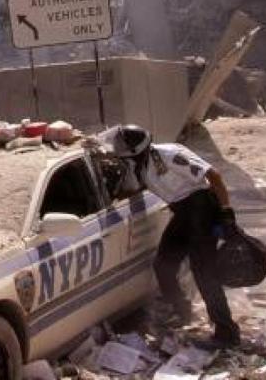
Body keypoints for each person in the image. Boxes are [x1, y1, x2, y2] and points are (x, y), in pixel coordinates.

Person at [101, 124, 240, 347]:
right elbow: (139, 188)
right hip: (183, 212)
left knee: (204, 273)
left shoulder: (170, 154)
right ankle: (182, 311)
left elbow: (214, 176)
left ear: (137, 151)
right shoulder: (141, 166)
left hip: (201, 207)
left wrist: (226, 212)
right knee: (163, 265)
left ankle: (227, 332)